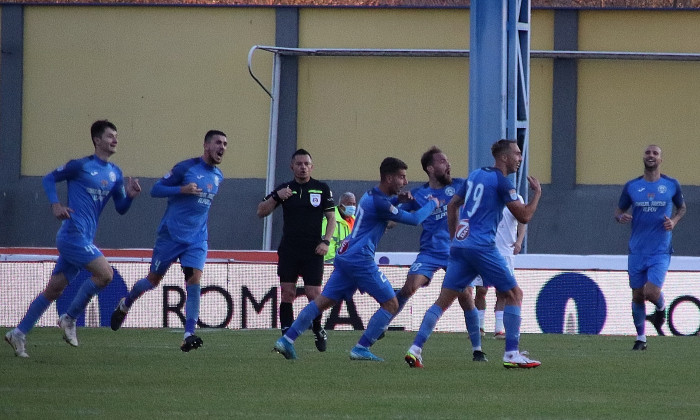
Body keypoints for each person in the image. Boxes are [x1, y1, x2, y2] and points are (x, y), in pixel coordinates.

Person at [273, 157, 439, 361]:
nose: (405, 182)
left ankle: (287, 340)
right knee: (392, 304)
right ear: (388, 178)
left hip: (347, 255)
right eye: (402, 177)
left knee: (323, 301)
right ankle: (362, 347)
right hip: (360, 259)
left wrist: (399, 201)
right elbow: (415, 220)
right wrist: (433, 204)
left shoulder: (372, 195)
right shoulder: (379, 202)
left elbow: (387, 210)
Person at [4, 120, 141, 358]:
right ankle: (69, 318)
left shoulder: (115, 172)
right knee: (105, 274)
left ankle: (18, 333)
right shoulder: (80, 166)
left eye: (116, 136)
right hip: (72, 235)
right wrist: (55, 205)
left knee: (53, 290)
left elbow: (120, 208)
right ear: (97, 140)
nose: (115, 140)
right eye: (110, 136)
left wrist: (129, 197)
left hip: (84, 238)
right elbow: (48, 179)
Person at [405, 139, 542, 369]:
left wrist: (453, 239)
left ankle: (415, 348)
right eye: (517, 154)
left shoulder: (476, 174)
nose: (520, 158)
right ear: (504, 157)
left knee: (443, 300)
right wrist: (537, 194)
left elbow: (452, 206)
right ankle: (511, 353)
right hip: (482, 247)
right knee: (514, 294)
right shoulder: (501, 181)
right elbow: (524, 216)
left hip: (460, 246)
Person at [110, 130, 228, 352]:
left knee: (194, 281)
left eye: (225, 144)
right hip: (171, 236)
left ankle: (189, 334)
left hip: (197, 239)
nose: (222, 147)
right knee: (152, 281)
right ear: (206, 145)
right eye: (218, 142)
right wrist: (181, 189)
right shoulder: (186, 168)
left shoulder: (218, 176)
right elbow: (156, 190)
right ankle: (125, 304)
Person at [385, 146, 486, 362]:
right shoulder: (419, 194)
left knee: (466, 296)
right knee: (410, 286)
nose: (448, 165)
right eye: (442, 162)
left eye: (447, 161)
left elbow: (480, 196)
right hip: (430, 252)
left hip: (456, 253)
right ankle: (384, 321)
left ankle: (477, 349)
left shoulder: (460, 185)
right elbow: (393, 220)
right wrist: (386, 218)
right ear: (430, 168)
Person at [257, 149, 336, 352]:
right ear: (292, 166)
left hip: (313, 250)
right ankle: (286, 338)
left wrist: (326, 241)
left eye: (306, 164)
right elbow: (260, 211)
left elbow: (331, 219)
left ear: (312, 166)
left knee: (314, 294)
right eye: (298, 164)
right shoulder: (284, 189)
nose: (302, 167)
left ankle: (318, 329)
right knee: (287, 293)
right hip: (289, 249)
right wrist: (276, 196)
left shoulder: (321, 188)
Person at [615, 144, 685, 351]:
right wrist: (621, 217)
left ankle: (661, 309)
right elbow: (618, 211)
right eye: (648, 152)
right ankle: (641, 338)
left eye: (655, 153)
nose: (651, 156)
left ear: (661, 160)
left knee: (651, 292)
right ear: (643, 157)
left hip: (660, 250)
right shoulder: (632, 186)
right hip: (637, 250)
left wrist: (674, 221)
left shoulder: (671, 184)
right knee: (637, 295)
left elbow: (682, 207)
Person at [474, 196, 526, 339]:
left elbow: (523, 220)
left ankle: (499, 329)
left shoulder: (516, 198)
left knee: (503, 292)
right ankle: (479, 327)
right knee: (481, 290)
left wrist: (519, 241)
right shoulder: (485, 193)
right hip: (485, 250)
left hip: (506, 252)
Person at [322, 191, 357, 263]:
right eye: (349, 204)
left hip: (349, 264)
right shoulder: (329, 221)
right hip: (334, 266)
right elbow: (327, 249)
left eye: (354, 204)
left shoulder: (355, 220)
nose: (352, 207)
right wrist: (331, 266)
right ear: (341, 205)